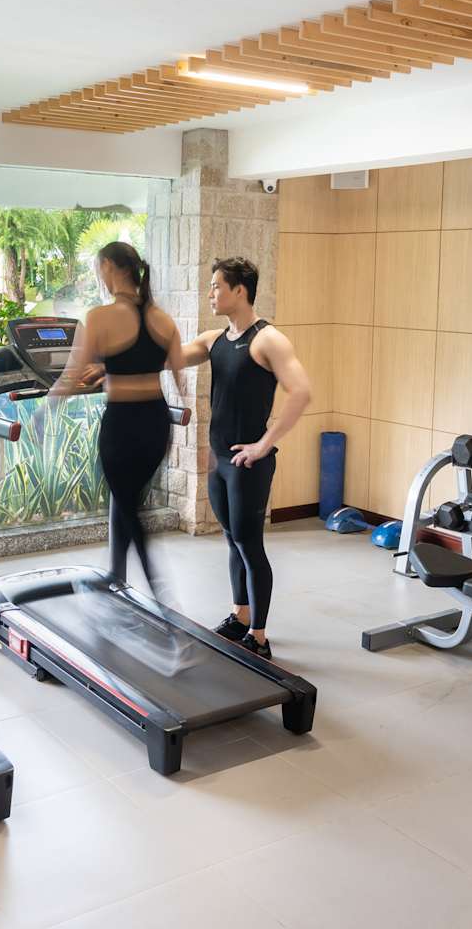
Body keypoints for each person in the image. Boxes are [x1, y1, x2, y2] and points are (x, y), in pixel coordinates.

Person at [180, 257, 312, 659]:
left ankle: (259, 636)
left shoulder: (268, 340)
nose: (210, 293)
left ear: (240, 291)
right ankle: (240, 615)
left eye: (217, 286)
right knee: (232, 540)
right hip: (220, 461)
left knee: (249, 545)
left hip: (248, 464)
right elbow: (171, 357)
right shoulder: (214, 340)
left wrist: (264, 444)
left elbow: (301, 392)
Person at [48, 241, 184, 602]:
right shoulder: (163, 319)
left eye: (99, 269)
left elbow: (71, 374)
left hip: (122, 426)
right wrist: (112, 368)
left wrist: (47, 408)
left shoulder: (99, 317)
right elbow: (177, 372)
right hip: (157, 424)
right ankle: (114, 573)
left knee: (128, 506)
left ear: (108, 266)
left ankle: (161, 593)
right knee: (128, 500)